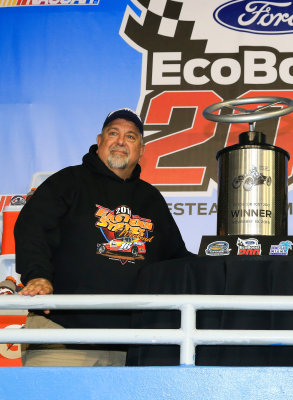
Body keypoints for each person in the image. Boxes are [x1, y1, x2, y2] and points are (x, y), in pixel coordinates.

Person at [15, 108, 194, 366]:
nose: (121, 141)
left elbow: (176, 259)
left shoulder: (151, 200)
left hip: (131, 346)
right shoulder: (67, 182)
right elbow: (32, 227)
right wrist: (37, 274)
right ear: (100, 141)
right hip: (62, 336)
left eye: (131, 137)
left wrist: (220, 267)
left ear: (141, 150)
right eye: (114, 133)